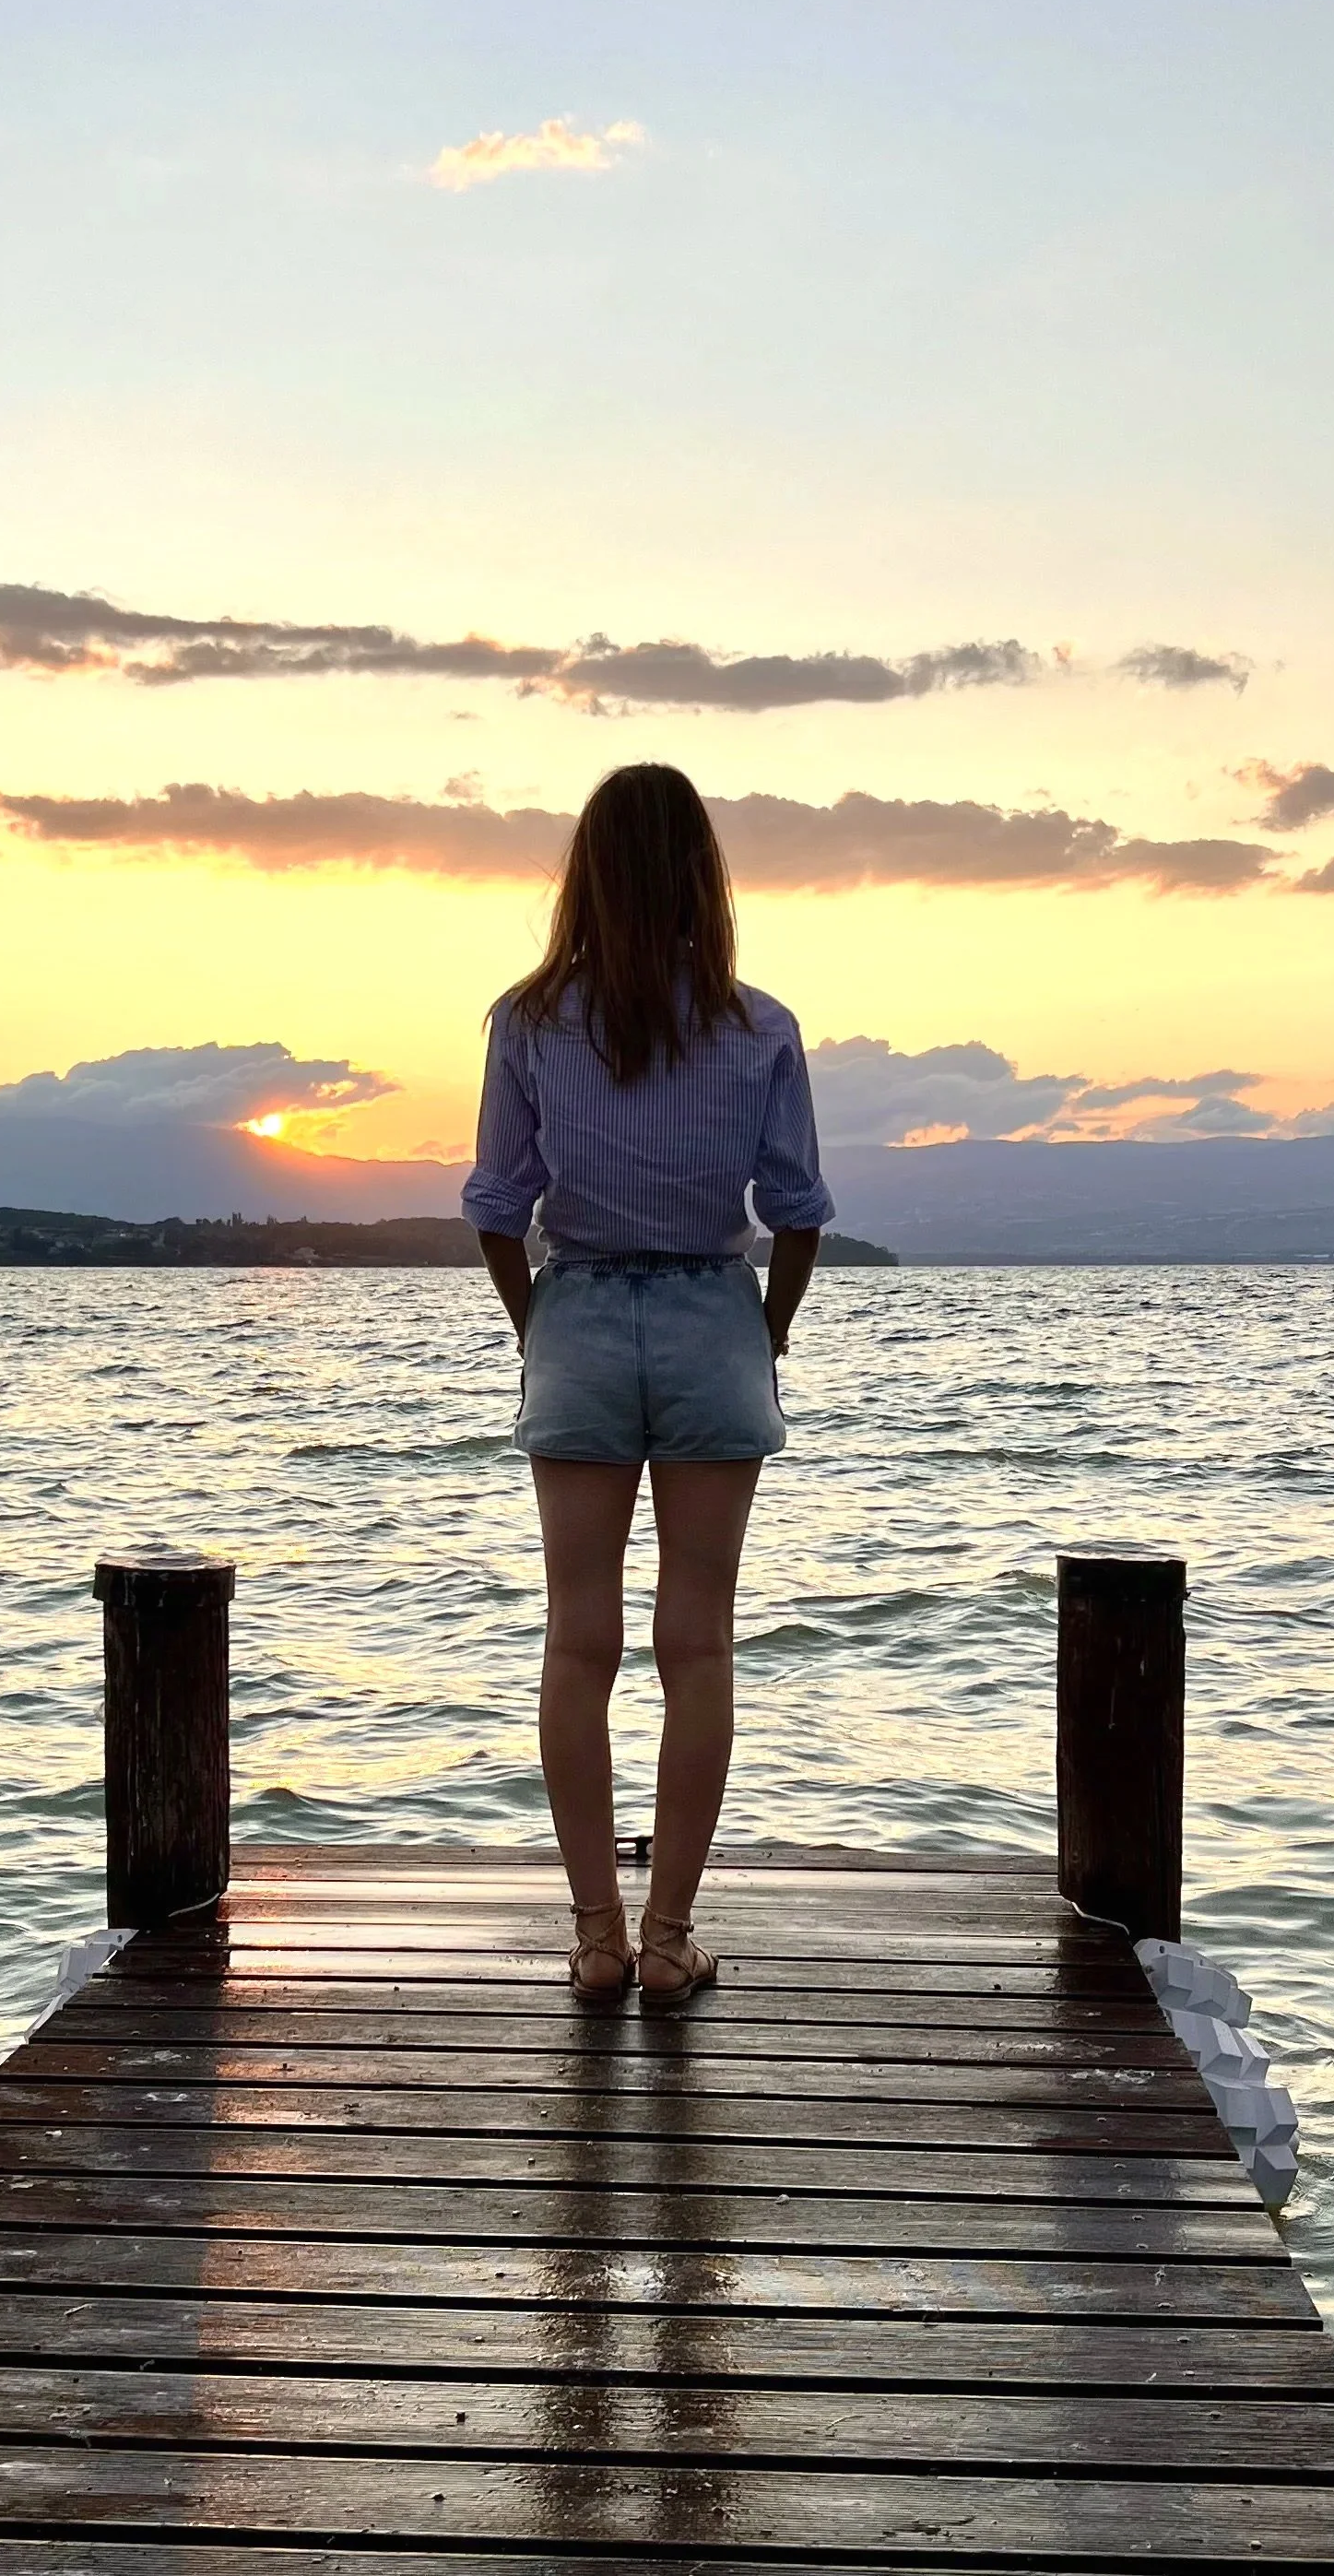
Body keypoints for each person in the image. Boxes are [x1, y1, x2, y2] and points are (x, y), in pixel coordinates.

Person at [462, 762, 833, 2006]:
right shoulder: (756, 1024)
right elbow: (794, 1214)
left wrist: (537, 1327)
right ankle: (671, 1939)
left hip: (576, 1313)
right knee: (698, 1642)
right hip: (709, 1319)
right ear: (699, 874)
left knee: (577, 1641)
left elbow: (495, 1210)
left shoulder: (526, 1022)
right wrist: (764, 1333)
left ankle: (594, 1938)